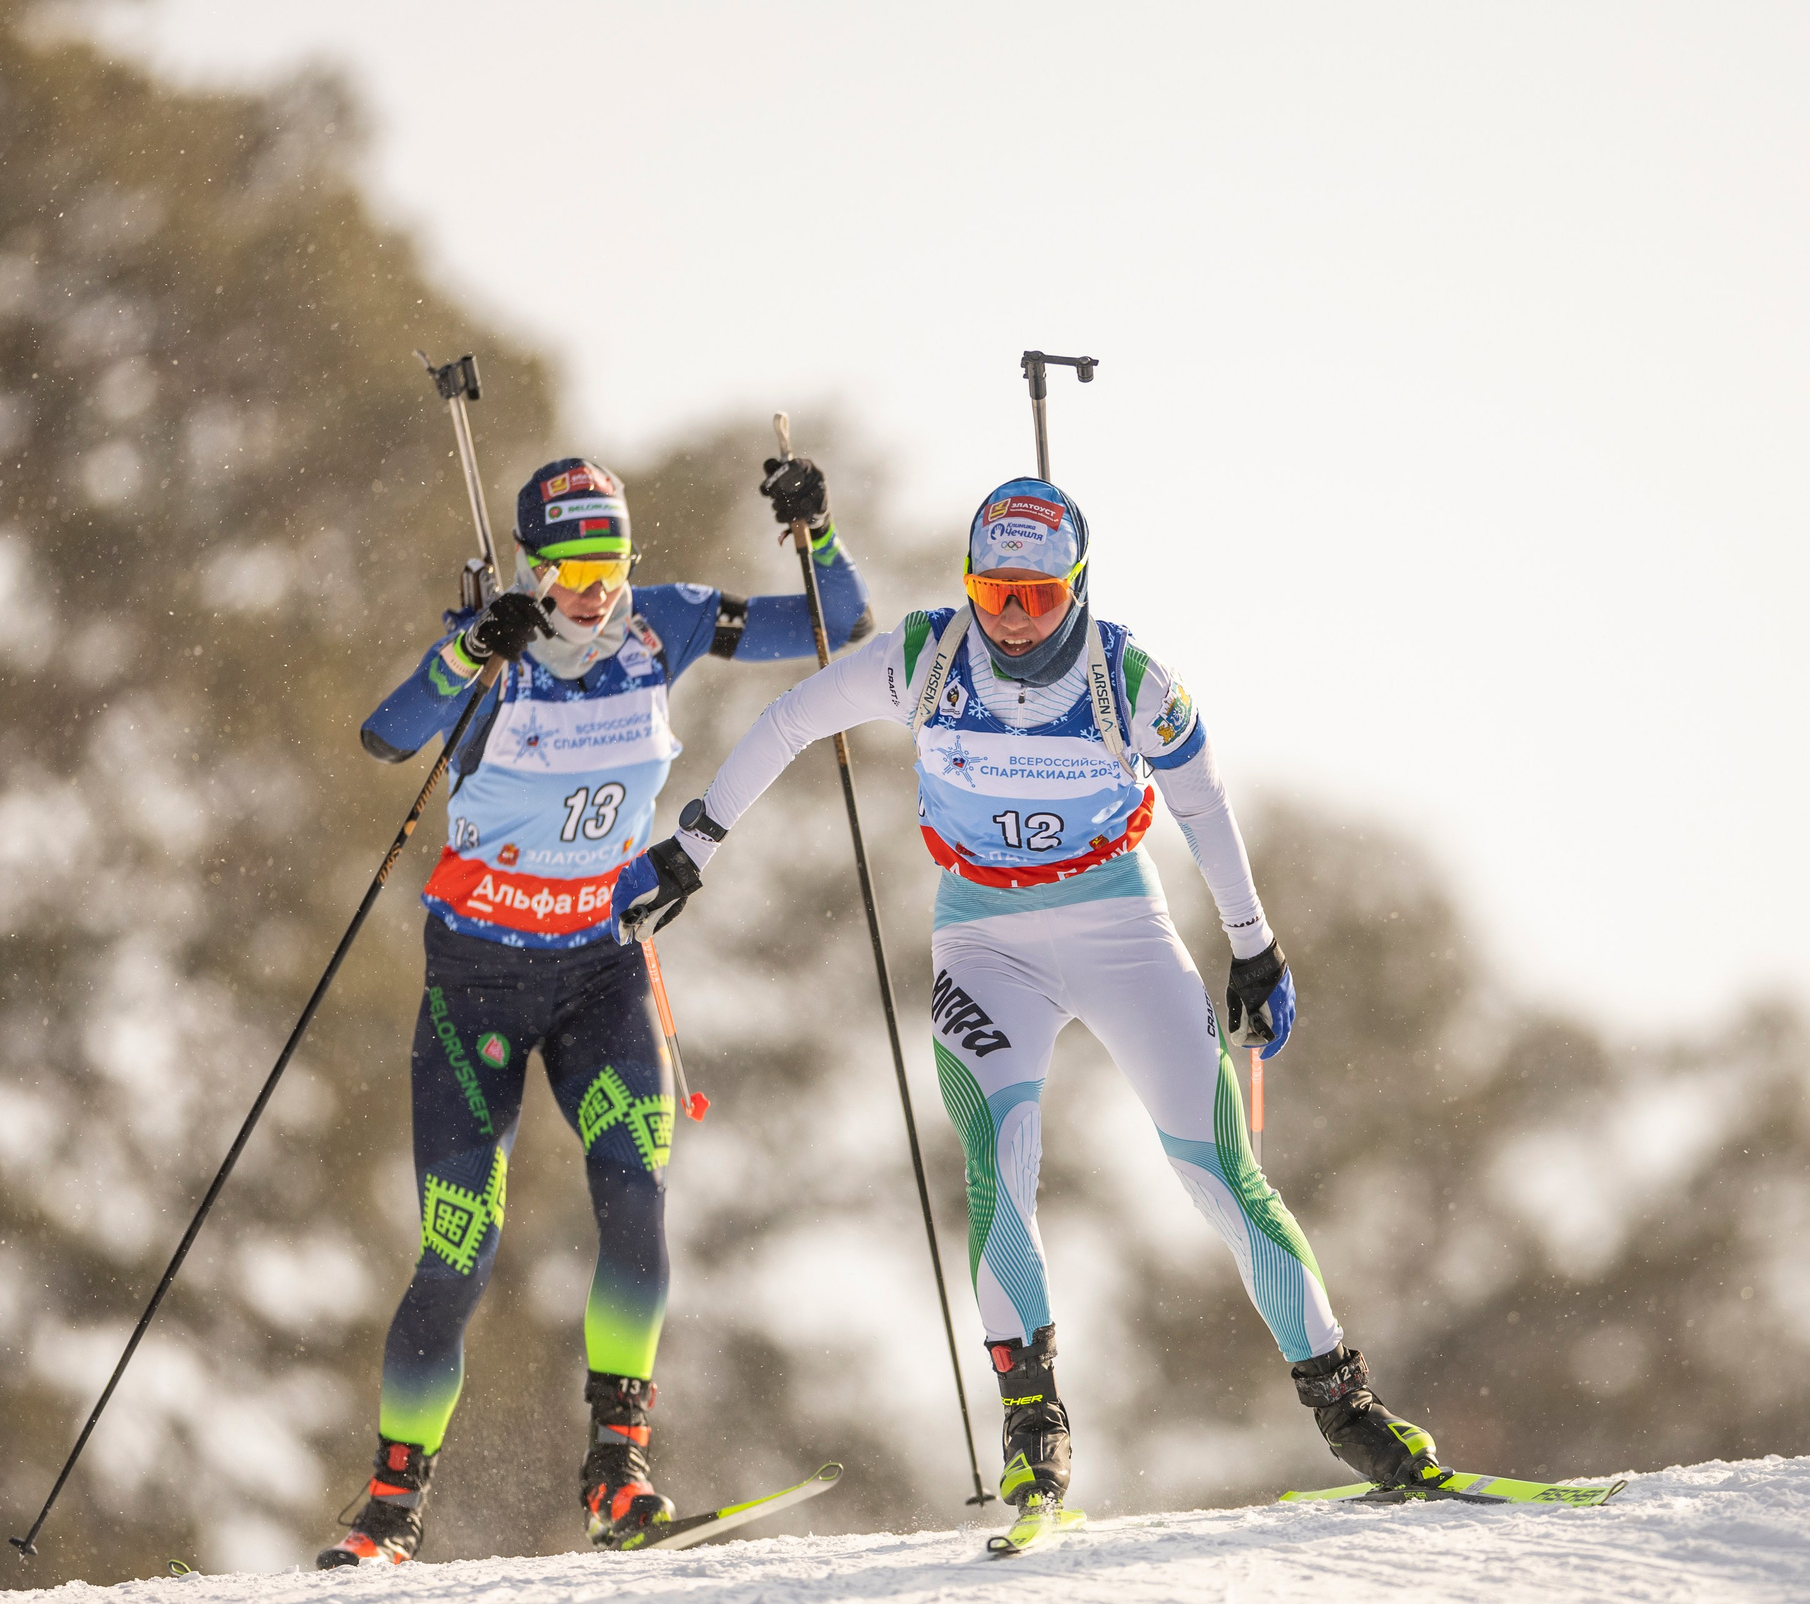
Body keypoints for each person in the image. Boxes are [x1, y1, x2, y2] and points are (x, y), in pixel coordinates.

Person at [610, 476, 1442, 1520]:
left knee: (1218, 1171)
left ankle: (1348, 1409)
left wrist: (1254, 948)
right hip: (984, 941)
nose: (1010, 619)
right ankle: (1033, 1427)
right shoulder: (926, 657)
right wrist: (692, 846)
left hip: (1119, 927)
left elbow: (1203, 802)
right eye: (992, 592)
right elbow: (789, 719)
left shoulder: (1126, 678)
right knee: (1001, 1165)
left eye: (1037, 598)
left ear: (1078, 590)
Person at [316, 454, 870, 1567]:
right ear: (532, 565)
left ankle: (618, 1472)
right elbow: (386, 735)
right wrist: (468, 651)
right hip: (477, 987)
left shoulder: (663, 624)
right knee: (457, 1251)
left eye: (609, 563)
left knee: (637, 1199)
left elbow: (835, 624)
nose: (593, 590)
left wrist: (815, 531)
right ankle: (390, 1506)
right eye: (569, 569)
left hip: (600, 975)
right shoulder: (495, 646)